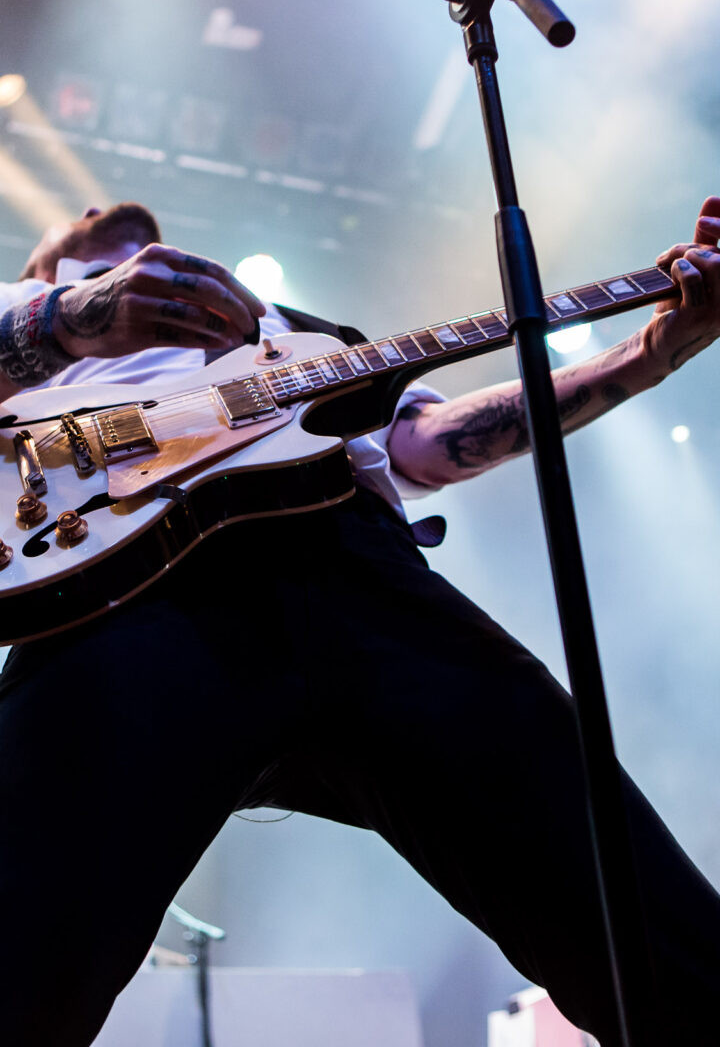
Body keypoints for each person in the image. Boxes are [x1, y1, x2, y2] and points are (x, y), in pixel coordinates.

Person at [0, 200, 719, 1047]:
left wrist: (648, 353)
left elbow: (428, 442)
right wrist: (65, 318)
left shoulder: (296, 333)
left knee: (643, 921)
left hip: (358, 574)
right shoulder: (20, 303)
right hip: (129, 595)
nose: (100, 210)